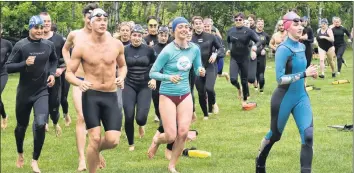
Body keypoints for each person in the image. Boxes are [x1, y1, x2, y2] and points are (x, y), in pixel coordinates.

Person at [255, 11, 318, 173]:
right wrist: (304, 74)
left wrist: (310, 72)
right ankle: (260, 161)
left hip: (301, 96)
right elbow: (280, 79)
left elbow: (300, 69)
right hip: (283, 98)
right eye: (296, 24)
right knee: (275, 135)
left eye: (301, 24)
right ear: (288, 27)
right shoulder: (283, 49)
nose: (300, 27)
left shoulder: (302, 46)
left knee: (308, 135)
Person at [65, 8, 127, 173]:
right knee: (94, 138)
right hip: (91, 95)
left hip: (111, 95)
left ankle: (95, 150)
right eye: (98, 20)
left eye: (105, 20)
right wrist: (79, 83)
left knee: (113, 141)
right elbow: (68, 73)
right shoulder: (81, 47)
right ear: (90, 23)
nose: (102, 23)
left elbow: (123, 66)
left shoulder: (116, 44)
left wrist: (121, 77)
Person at [148, 17, 205, 173]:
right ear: (174, 31)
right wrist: (168, 77)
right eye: (180, 27)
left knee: (183, 132)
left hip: (185, 94)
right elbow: (152, 72)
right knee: (171, 135)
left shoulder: (194, 49)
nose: (184, 29)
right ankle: (157, 140)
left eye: (186, 27)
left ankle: (172, 165)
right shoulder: (167, 51)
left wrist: (200, 70)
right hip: (167, 94)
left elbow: (196, 68)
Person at [6, 15, 58, 173]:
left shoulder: (49, 45)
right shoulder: (21, 46)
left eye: (42, 28)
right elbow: (8, 67)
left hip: (41, 91)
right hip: (24, 93)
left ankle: (35, 160)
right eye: (36, 28)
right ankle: (20, 153)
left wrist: (52, 73)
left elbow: (54, 60)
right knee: (21, 126)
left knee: (41, 123)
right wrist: (24, 64)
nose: (40, 31)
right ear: (30, 28)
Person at [122, 24, 156, 151]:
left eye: (139, 36)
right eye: (134, 35)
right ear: (130, 36)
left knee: (141, 118)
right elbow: (119, 66)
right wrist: (119, 78)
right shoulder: (124, 50)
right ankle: (131, 143)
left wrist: (153, 78)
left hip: (145, 85)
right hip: (129, 84)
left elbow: (155, 65)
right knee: (129, 114)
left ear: (142, 37)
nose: (136, 38)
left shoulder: (149, 50)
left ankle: (141, 125)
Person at [40, 12, 68, 135]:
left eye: (48, 21)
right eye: (44, 21)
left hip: (56, 76)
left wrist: (61, 69)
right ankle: (44, 122)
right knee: (41, 99)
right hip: (39, 76)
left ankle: (55, 121)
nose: (46, 23)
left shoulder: (60, 39)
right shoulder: (36, 38)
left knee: (54, 102)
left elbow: (68, 58)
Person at [226, 12, 260, 110]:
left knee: (244, 81)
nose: (238, 21)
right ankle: (238, 88)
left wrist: (254, 46)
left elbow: (258, 41)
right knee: (233, 79)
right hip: (234, 58)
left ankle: (244, 100)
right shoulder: (231, 31)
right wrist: (229, 49)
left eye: (240, 20)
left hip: (245, 58)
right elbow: (229, 42)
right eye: (236, 20)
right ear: (234, 21)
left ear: (243, 20)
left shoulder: (248, 31)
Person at [191, 16, 224, 119]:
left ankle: (213, 103)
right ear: (193, 26)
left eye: (200, 23)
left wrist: (215, 54)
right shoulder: (190, 38)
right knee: (201, 92)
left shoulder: (210, 37)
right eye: (196, 23)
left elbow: (221, 49)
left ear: (202, 24)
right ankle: (205, 114)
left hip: (210, 65)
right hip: (197, 68)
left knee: (209, 88)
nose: (198, 25)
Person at [0, 23, 13, 130]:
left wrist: (8, 62)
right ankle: (4, 116)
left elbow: (14, 56)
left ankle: (4, 117)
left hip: (2, 73)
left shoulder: (7, 44)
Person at [254, 18, 270, 93]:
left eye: (262, 24)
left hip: (262, 56)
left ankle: (261, 89)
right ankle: (255, 85)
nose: (260, 25)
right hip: (253, 56)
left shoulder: (266, 35)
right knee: (254, 72)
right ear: (256, 24)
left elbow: (268, 45)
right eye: (259, 24)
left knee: (261, 73)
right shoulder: (252, 33)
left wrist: (265, 49)